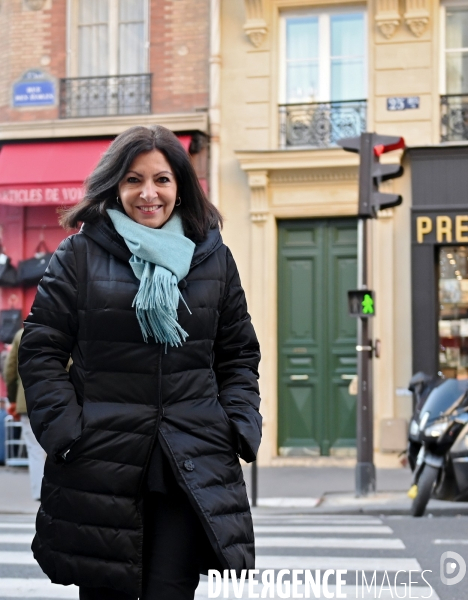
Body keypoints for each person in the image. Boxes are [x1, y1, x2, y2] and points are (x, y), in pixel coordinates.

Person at [18, 125, 261, 600]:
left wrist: (236, 425)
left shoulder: (213, 258)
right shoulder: (79, 255)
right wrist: (67, 432)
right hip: (101, 465)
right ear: (115, 186)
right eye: (133, 180)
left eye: (162, 180)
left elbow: (238, 354)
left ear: (181, 186)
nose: (148, 193)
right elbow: (42, 350)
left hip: (190, 463)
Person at [3, 328, 45, 499]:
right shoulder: (64, 329)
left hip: (26, 400)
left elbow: (10, 371)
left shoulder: (21, 334)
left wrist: (12, 399)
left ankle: (40, 493)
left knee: (35, 450)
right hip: (60, 399)